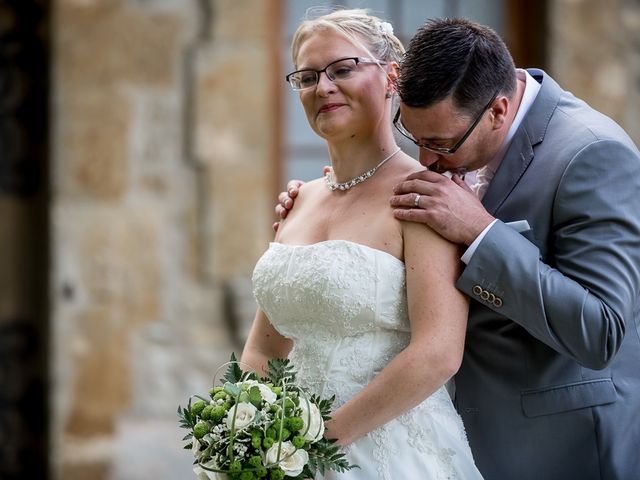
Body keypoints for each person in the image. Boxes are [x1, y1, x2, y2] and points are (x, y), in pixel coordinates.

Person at [277, 17, 640, 480]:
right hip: (446, 443)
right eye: (415, 138)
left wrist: (484, 234)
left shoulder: (591, 153)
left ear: (498, 111)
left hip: (562, 448)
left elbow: (602, 331)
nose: (427, 162)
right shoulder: (459, 130)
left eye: (440, 144)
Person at [241, 8, 483, 479]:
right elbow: (264, 350)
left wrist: (316, 443)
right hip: (286, 454)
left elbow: (437, 352)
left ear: (391, 77)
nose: (324, 87)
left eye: (343, 69)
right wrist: (244, 437)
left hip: (385, 449)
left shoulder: (424, 196)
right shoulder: (299, 201)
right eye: (307, 77)